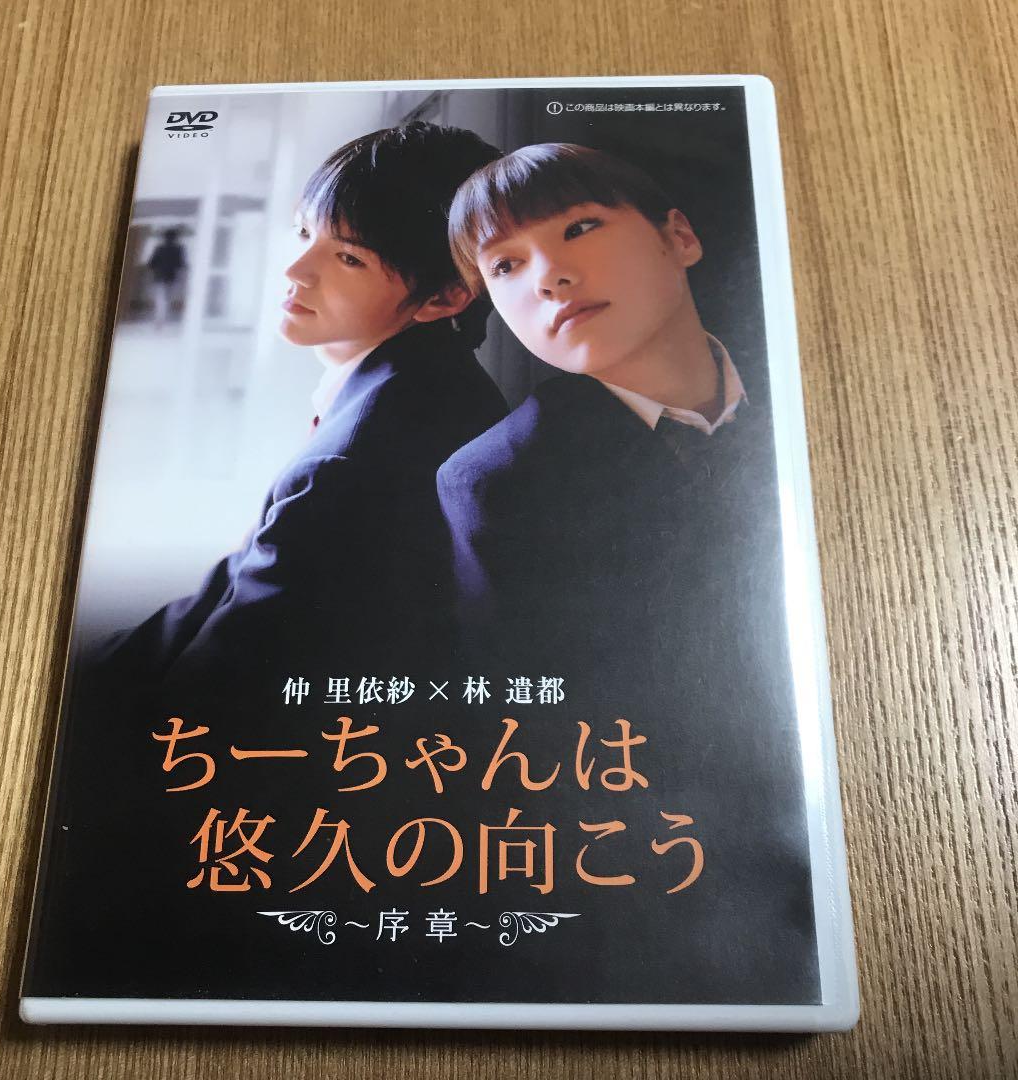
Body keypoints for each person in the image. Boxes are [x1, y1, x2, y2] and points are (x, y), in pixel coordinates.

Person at [435, 143, 820, 1003]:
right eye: (506, 265)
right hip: (666, 862)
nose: (550, 277)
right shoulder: (497, 481)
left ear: (678, 236)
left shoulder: (813, 396)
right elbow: (540, 730)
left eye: (579, 228)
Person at [97, 121, 507, 701]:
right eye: (304, 232)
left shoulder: (352, 460)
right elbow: (235, 583)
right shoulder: (417, 383)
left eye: (349, 258)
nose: (296, 270)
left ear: (445, 296)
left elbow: (210, 692)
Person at [145, 228, 187, 328]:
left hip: (159, 276)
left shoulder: (159, 248)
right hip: (172, 276)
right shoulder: (179, 249)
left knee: (160, 298)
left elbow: (151, 263)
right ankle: (164, 318)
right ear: (175, 238)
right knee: (168, 298)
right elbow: (181, 264)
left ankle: (159, 319)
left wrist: (156, 268)